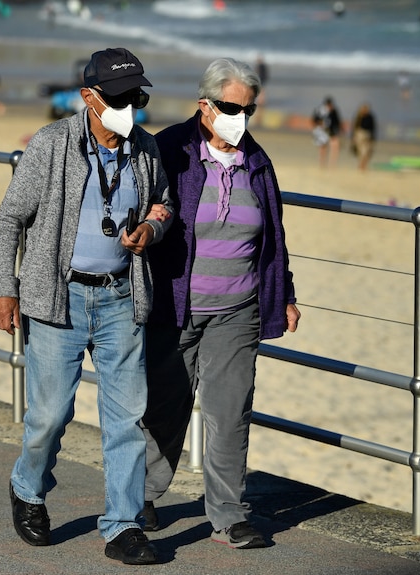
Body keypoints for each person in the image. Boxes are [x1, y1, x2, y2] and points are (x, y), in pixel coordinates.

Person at [0, 47, 172, 565]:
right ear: (89, 97)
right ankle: (28, 488)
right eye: (119, 98)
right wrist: (5, 288)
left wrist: (152, 227)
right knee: (49, 415)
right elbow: (10, 220)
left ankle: (122, 527)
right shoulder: (50, 145)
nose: (130, 107)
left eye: (136, 96)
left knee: (127, 419)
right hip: (56, 297)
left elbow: (165, 204)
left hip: (121, 297)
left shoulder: (147, 149)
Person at [141, 57, 300, 550]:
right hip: (175, 307)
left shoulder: (257, 160)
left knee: (230, 414)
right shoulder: (171, 148)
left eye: (247, 109)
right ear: (204, 106)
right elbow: (140, 211)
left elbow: (273, 235)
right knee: (165, 409)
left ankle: (229, 515)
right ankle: (141, 496)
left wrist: (286, 294)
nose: (241, 118)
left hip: (238, 309)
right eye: (232, 107)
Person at [313, 96, 341, 168]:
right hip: (322, 132)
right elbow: (315, 120)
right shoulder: (319, 110)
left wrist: (338, 131)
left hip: (332, 132)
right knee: (323, 149)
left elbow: (337, 122)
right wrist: (321, 125)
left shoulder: (334, 111)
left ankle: (332, 165)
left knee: (334, 148)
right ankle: (322, 165)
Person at [351, 102, 376, 172]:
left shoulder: (370, 117)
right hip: (359, 135)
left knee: (366, 152)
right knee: (360, 152)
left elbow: (373, 128)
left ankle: (363, 165)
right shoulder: (358, 117)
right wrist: (353, 137)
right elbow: (355, 128)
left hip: (367, 136)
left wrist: (372, 138)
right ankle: (361, 165)